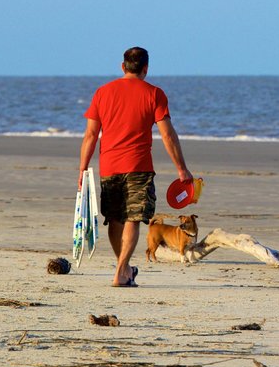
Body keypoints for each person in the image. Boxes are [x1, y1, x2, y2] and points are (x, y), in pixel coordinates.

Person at [78, 47, 193, 287]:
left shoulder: (103, 92)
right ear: (145, 69)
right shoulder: (155, 94)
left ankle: (124, 268)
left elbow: (90, 135)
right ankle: (122, 271)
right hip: (138, 166)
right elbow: (168, 135)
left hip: (109, 166)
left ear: (122, 66)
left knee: (115, 218)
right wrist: (182, 169)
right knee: (132, 219)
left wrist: (83, 169)